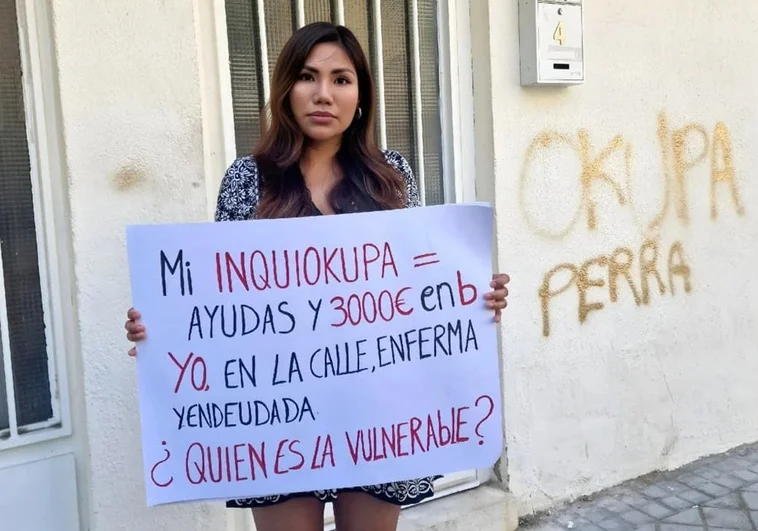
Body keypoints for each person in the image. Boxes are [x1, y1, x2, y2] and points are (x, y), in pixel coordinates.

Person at [124, 22, 510, 531]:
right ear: (286, 89)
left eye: (341, 79)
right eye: (307, 77)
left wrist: (470, 298)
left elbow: (417, 286)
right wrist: (164, 333)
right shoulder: (248, 180)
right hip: (278, 414)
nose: (323, 94)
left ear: (361, 95)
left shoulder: (391, 177)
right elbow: (217, 300)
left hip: (377, 410)